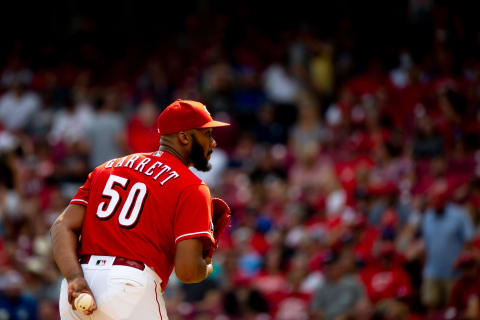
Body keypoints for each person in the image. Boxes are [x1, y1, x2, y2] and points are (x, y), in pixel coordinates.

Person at [50, 99, 231, 320]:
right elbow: (187, 272)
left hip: (80, 284)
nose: (212, 143)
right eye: (207, 134)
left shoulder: (106, 169)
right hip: (129, 287)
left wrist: (74, 278)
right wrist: (206, 265)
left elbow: (61, 226)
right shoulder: (192, 187)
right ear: (184, 137)